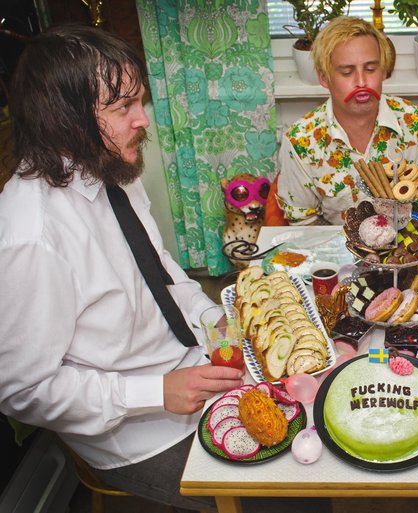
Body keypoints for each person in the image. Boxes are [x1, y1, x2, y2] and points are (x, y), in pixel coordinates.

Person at [0, 24, 327, 513]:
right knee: (287, 498)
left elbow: (160, 269)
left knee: (314, 428)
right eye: (122, 107)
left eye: (140, 102)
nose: (142, 120)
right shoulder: (32, 236)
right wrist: (156, 392)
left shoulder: (111, 166)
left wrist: (213, 318)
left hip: (192, 365)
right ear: (64, 119)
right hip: (136, 431)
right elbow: (21, 391)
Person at [277, 16, 418, 225]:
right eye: (347, 72)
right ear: (324, 78)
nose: (362, 82)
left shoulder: (416, 124)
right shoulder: (300, 141)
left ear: (384, 72)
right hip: (335, 244)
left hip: (403, 240)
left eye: (371, 69)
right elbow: (303, 221)